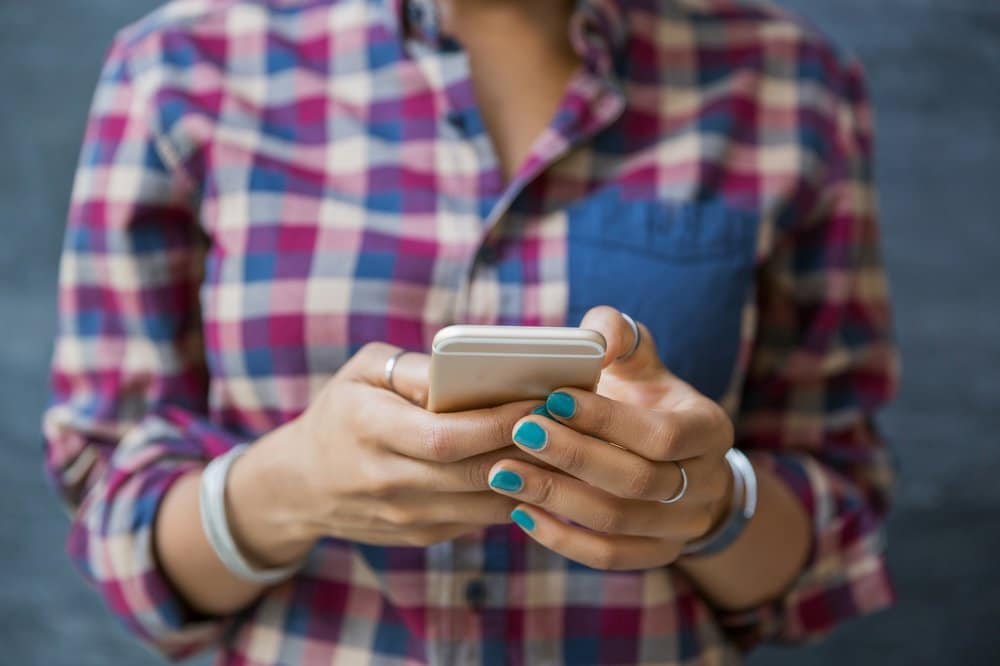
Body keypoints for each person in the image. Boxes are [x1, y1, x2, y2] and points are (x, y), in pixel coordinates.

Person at [43, 0, 898, 663]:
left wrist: (711, 503)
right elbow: (110, 502)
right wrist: (289, 486)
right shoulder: (181, 67)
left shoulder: (790, 83)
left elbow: (837, 515)